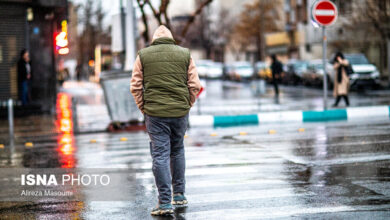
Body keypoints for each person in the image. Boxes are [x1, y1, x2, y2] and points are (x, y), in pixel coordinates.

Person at [130, 25, 201, 216]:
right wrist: (187, 104)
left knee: (160, 154)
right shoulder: (185, 54)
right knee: (177, 150)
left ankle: (164, 202)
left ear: (154, 39)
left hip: (155, 113)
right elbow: (195, 85)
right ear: (171, 39)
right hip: (180, 113)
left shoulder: (143, 55)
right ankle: (179, 194)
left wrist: (144, 107)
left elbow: (135, 86)